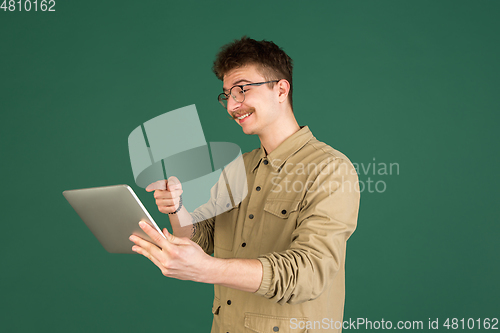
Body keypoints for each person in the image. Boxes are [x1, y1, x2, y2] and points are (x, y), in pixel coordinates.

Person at [129, 36, 360, 333]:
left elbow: (309, 275)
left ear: (281, 89)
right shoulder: (238, 167)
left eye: (242, 90)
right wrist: (177, 208)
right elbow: (202, 239)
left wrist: (208, 269)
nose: (232, 106)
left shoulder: (330, 169)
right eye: (227, 95)